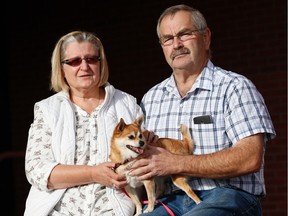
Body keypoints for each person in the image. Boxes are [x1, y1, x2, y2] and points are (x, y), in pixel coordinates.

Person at [128, 4, 276, 216]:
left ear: (205, 37)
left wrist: (175, 163)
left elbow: (249, 157)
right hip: (169, 199)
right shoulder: (151, 98)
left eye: (184, 34)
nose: (176, 44)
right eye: (168, 39)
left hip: (226, 196)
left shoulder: (235, 87)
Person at [24, 31, 148, 216]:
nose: (84, 66)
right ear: (62, 69)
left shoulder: (127, 104)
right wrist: (92, 173)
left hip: (113, 206)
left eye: (91, 59)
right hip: (57, 209)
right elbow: (37, 170)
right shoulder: (47, 109)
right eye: (74, 61)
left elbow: (145, 157)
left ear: (101, 63)